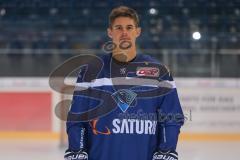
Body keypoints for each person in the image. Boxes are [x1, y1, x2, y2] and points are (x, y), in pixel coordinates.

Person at [64, 6, 184, 160]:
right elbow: (77, 117)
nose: (124, 33)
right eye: (118, 28)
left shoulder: (159, 71)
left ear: (138, 31)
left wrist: (166, 150)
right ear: (110, 32)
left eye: (129, 27)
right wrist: (77, 149)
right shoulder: (91, 71)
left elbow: (172, 116)